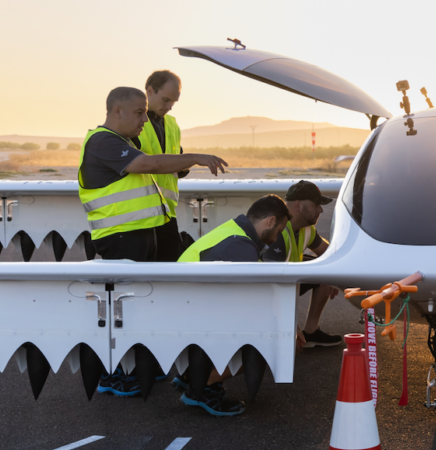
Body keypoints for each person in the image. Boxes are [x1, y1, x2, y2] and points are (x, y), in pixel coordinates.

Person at [81, 86, 230, 396]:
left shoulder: (124, 141)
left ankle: (136, 368)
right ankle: (112, 374)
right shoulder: (102, 141)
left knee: (137, 308)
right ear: (116, 111)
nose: (144, 121)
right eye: (139, 113)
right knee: (123, 310)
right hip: (119, 239)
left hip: (137, 236)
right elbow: (149, 165)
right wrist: (196, 157)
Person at [176, 195, 291, 414]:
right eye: (279, 229)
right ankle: (204, 387)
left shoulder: (233, 230)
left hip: (186, 306)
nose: (276, 239)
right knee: (271, 340)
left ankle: (190, 374)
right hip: (193, 314)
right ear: (270, 221)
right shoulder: (241, 245)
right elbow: (250, 303)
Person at [260, 180, 342, 347]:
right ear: (298, 205)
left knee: (323, 271)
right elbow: (270, 289)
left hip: (287, 280)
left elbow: (329, 255)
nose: (320, 210)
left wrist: (335, 276)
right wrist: (290, 327)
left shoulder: (306, 228)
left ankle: (311, 333)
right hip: (259, 292)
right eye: (316, 205)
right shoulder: (276, 232)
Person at [138, 70, 193, 260]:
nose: (169, 107)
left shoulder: (172, 124)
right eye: (165, 100)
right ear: (149, 91)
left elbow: (177, 162)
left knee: (170, 272)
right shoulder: (130, 123)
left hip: (167, 214)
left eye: (173, 102)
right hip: (139, 216)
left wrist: (183, 166)